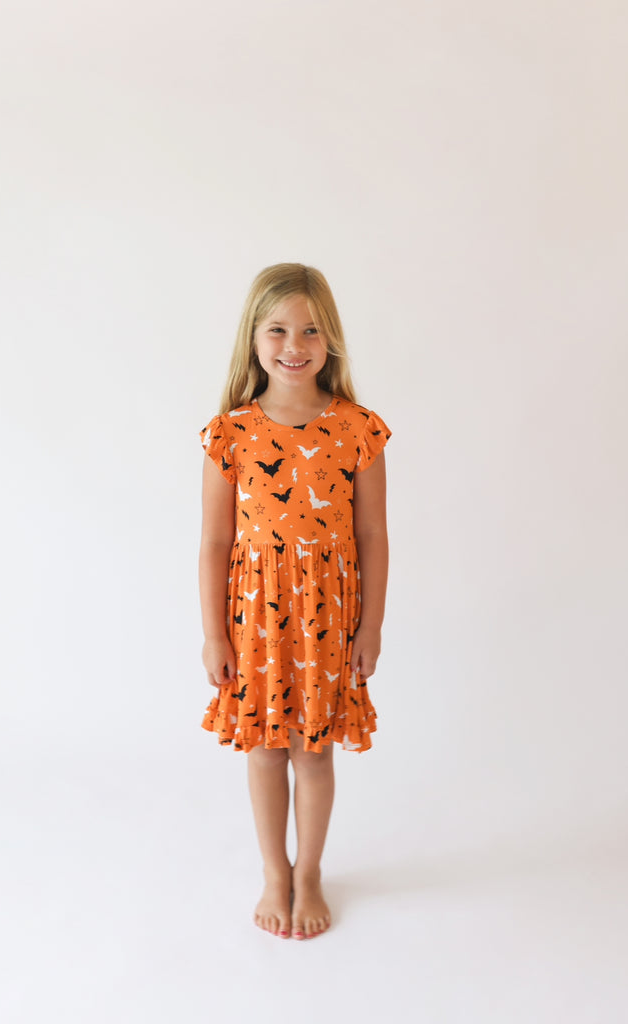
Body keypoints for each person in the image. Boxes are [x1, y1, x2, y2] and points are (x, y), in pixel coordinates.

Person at [199, 263, 391, 940]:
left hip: (326, 623)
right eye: (278, 329)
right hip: (256, 622)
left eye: (311, 330)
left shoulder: (357, 429)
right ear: (253, 338)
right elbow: (215, 540)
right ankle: (272, 871)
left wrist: (371, 627)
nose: (294, 344)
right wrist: (214, 635)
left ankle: (308, 872)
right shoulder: (231, 434)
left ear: (330, 338)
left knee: (312, 754)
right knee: (264, 750)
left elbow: (372, 535)